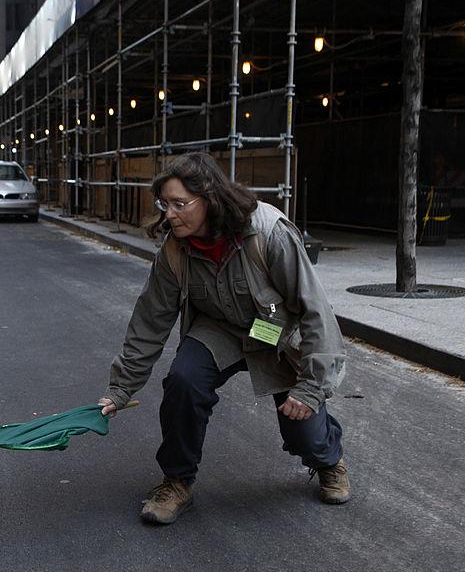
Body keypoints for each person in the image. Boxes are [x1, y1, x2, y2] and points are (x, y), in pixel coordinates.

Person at [99, 152, 350, 525]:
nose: (169, 214)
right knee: (184, 380)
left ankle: (329, 460)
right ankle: (177, 481)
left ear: (210, 199)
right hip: (218, 328)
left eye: (179, 204)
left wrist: (311, 387)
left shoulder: (269, 232)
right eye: (164, 203)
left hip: (276, 331)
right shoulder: (174, 248)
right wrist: (122, 389)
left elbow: (316, 310)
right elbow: (150, 319)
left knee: (303, 429)